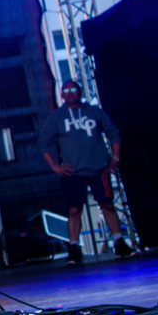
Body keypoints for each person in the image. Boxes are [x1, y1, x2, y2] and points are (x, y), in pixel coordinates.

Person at [41, 80, 133, 261]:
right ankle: (74, 248)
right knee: (74, 209)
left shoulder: (94, 112)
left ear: (80, 92)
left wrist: (115, 158)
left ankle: (119, 241)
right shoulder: (56, 117)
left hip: (99, 168)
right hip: (73, 172)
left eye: (73, 89)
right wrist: (54, 166)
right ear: (61, 94)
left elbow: (113, 132)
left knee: (107, 204)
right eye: (66, 90)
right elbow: (43, 143)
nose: (70, 92)